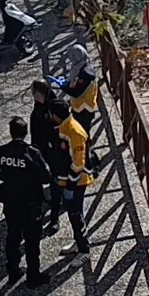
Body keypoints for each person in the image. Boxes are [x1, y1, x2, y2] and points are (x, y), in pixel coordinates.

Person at [0, 117, 52, 287]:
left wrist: (8, 177)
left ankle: (13, 272)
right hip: (31, 204)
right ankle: (33, 276)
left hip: (11, 202)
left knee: (13, 236)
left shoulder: (2, 151)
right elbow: (46, 177)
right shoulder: (32, 153)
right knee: (31, 241)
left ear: (11, 132)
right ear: (26, 132)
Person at [51, 101, 92, 259]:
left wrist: (70, 186)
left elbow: (78, 163)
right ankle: (79, 241)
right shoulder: (66, 127)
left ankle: (84, 250)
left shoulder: (74, 131)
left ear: (55, 116)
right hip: (69, 181)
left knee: (76, 215)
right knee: (75, 214)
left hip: (76, 182)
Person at [30, 80, 65, 235]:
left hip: (56, 153)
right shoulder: (37, 109)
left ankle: (54, 218)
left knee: (56, 185)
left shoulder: (55, 107)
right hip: (42, 151)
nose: (33, 96)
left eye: (34, 93)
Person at [60, 44, 98, 135]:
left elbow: (77, 92)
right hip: (80, 107)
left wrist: (64, 87)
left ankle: (87, 148)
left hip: (84, 108)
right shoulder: (82, 66)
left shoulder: (85, 73)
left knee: (83, 132)